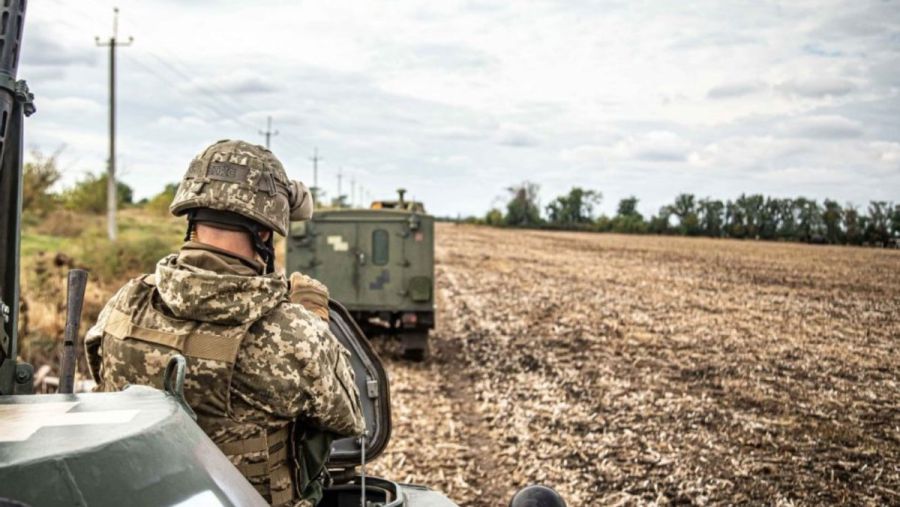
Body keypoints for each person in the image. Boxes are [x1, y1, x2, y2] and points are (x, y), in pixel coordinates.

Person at [84, 139, 365, 506]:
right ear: (264, 232)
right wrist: (313, 319)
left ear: (192, 217)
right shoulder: (293, 332)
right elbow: (350, 419)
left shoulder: (125, 304)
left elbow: (100, 379)